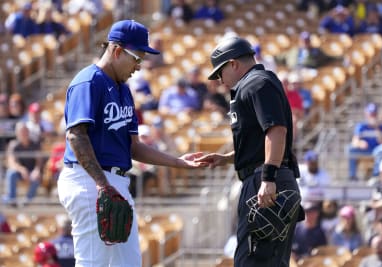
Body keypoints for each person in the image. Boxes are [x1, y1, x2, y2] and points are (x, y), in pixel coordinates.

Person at [57, 20, 207, 267]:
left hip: (115, 182)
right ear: (117, 51)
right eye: (137, 58)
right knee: (92, 263)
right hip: (88, 181)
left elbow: (134, 147)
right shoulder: (88, 82)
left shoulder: (123, 90)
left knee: (128, 263)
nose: (139, 66)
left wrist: (178, 162)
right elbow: (76, 136)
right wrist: (103, 185)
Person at [195, 36, 303, 267]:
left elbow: (276, 130)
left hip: (265, 183)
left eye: (220, 72)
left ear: (233, 63)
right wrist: (226, 159)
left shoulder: (257, 83)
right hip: (265, 178)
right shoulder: (252, 84)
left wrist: (268, 178)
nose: (220, 80)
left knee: (253, 262)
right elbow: (259, 144)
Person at [2, 121, 43, 207]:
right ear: (17, 133)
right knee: (11, 173)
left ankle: (27, 202)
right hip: (20, 172)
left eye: (25, 131)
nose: (24, 133)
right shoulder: (13, 145)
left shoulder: (35, 144)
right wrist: (22, 170)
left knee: (37, 178)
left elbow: (39, 161)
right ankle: (11, 200)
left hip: (32, 172)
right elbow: (11, 162)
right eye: (22, 131)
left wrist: (37, 170)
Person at [347, 102, 382, 180]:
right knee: (350, 149)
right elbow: (354, 141)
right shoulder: (361, 125)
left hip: (377, 151)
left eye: (374, 114)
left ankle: (375, 176)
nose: (372, 116)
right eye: (371, 114)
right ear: (366, 114)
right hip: (365, 150)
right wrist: (360, 143)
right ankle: (352, 176)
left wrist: (376, 128)